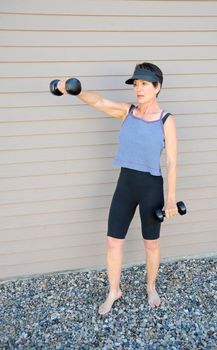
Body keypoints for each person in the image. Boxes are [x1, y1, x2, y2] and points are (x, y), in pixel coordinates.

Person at [56, 62, 178, 315]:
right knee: (113, 241)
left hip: (151, 187)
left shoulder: (166, 120)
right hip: (126, 184)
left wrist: (170, 199)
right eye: (136, 84)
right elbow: (99, 101)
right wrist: (75, 91)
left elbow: (172, 161)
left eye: (144, 83)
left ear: (157, 87)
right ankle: (114, 290)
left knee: (151, 244)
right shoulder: (127, 112)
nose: (139, 89)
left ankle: (151, 286)